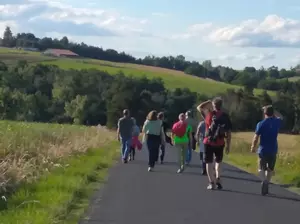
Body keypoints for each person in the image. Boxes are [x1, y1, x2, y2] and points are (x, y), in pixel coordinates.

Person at [197, 97, 232, 190]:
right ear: (221, 105)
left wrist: (208, 101)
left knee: (208, 162)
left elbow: (199, 107)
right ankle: (218, 179)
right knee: (218, 162)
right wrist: (228, 145)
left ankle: (211, 182)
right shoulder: (225, 116)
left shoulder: (209, 114)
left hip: (208, 141)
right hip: (220, 142)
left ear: (213, 105)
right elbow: (228, 132)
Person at [250, 105, 282, 196]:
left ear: (264, 113)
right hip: (273, 149)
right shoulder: (277, 122)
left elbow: (256, 137)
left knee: (261, 168)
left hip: (263, 149)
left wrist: (253, 146)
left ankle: (263, 180)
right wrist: (274, 110)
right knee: (270, 169)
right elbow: (281, 117)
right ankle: (267, 182)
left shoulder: (261, 123)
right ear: (273, 113)